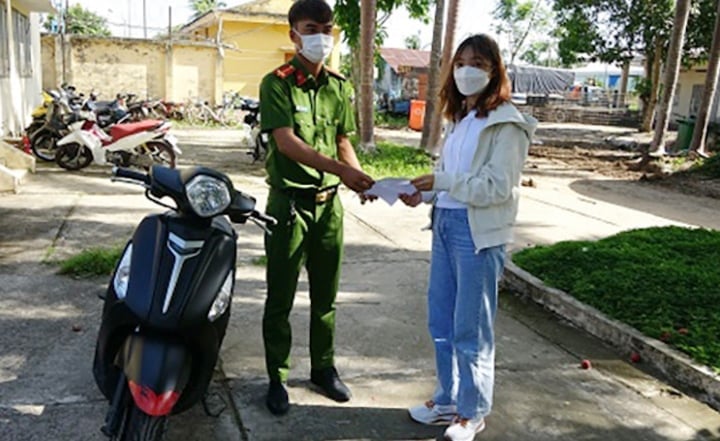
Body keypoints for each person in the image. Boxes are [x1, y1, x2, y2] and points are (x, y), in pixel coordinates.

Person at [400, 34, 537, 440]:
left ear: (494, 71)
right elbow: (453, 180)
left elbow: (496, 187)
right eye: (460, 63)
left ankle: (473, 412)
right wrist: (421, 192)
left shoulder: (507, 123)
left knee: (471, 328)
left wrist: (441, 180)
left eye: (477, 63)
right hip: (444, 223)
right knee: (440, 319)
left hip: (477, 235)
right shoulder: (460, 121)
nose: (466, 71)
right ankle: (447, 399)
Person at [258, 0, 375, 416]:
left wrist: (359, 177)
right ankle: (278, 377)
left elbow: (344, 141)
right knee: (280, 298)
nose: (321, 37)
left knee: (326, 298)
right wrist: (340, 170)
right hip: (288, 206)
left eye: (327, 29)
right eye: (312, 28)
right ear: (293, 34)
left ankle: (323, 369)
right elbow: (287, 143)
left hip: (329, 208)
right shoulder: (277, 83)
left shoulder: (340, 86)